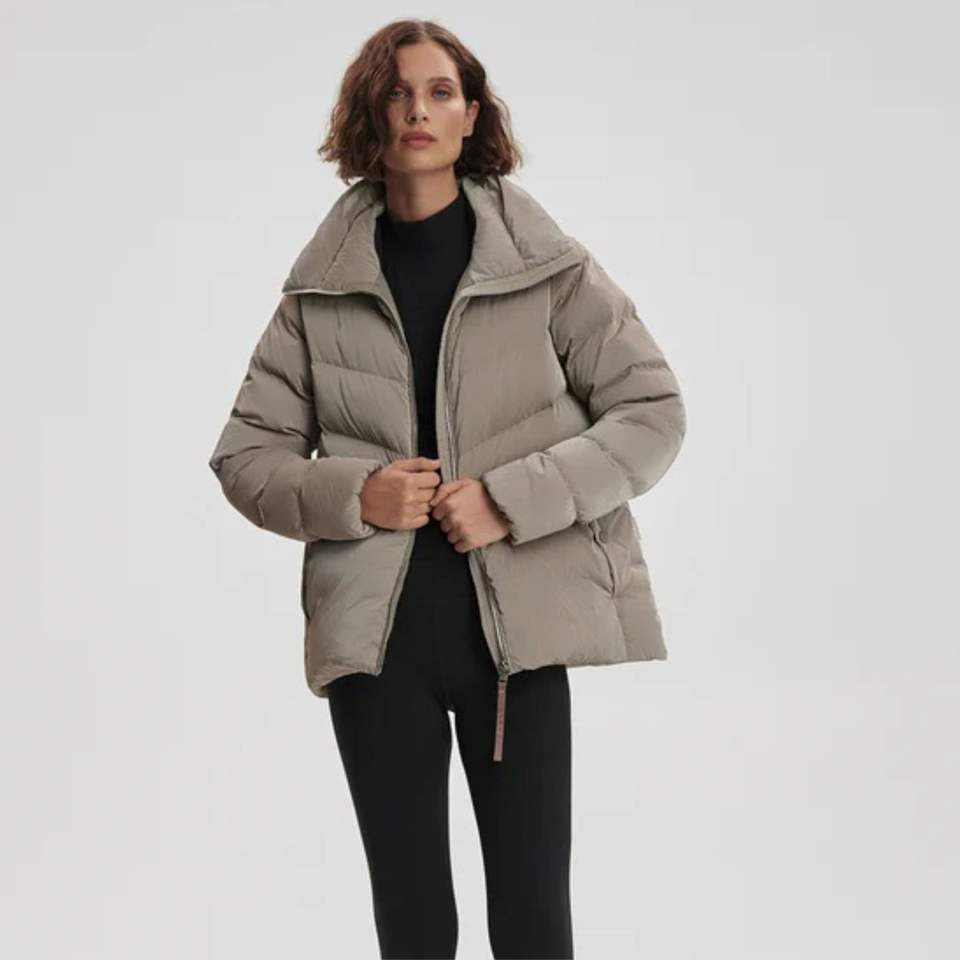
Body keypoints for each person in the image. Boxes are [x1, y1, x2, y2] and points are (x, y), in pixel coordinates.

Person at [209, 18, 686, 960]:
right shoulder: (317, 294)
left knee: (533, 917)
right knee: (413, 921)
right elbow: (245, 456)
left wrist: (511, 498)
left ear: (472, 115)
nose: (417, 111)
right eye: (396, 93)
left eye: (438, 92)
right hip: (379, 648)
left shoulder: (550, 271)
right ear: (368, 117)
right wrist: (357, 494)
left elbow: (651, 412)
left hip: (519, 643)